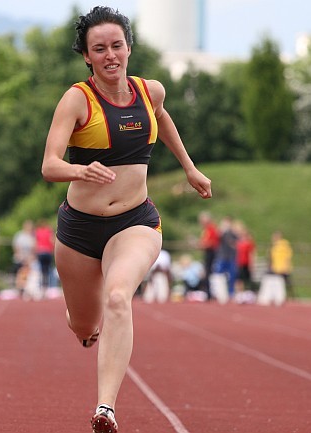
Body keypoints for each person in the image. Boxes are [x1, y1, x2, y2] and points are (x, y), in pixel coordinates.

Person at [41, 6, 212, 432]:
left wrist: (189, 168)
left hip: (135, 222)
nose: (110, 55)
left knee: (118, 297)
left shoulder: (150, 91)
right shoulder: (77, 99)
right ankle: (81, 321)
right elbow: (49, 165)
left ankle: (105, 408)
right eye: (99, 48)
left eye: (117, 45)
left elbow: (163, 119)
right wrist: (82, 169)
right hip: (79, 229)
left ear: (129, 48)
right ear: (87, 55)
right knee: (84, 322)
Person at [198, 211, 219, 298]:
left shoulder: (211, 229)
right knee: (207, 272)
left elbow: (213, 243)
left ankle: (210, 293)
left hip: (211, 253)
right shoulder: (207, 229)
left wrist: (203, 245)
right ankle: (208, 292)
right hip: (208, 252)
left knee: (209, 272)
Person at [269, 230, 294, 298]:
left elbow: (288, 255)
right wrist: (271, 265)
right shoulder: (274, 245)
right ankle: (279, 295)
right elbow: (272, 256)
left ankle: (291, 296)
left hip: (283, 267)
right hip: (276, 267)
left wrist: (287, 265)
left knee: (287, 282)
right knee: (277, 283)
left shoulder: (284, 244)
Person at [34, 219, 55, 290]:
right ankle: (49, 286)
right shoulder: (49, 231)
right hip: (47, 252)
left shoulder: (38, 231)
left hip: (41, 251)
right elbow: (51, 240)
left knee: (42, 270)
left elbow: (36, 243)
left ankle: (42, 286)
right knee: (49, 269)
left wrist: (35, 252)